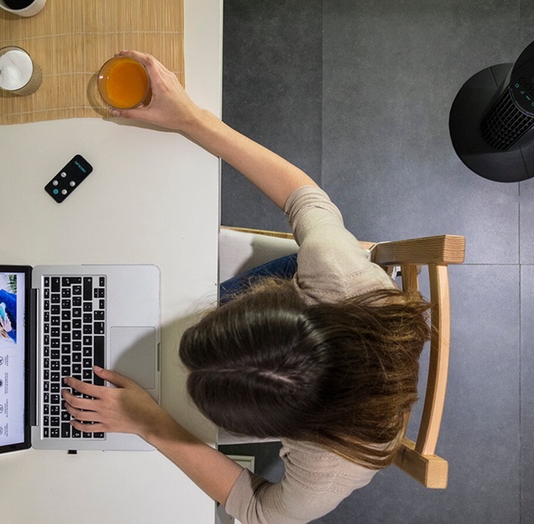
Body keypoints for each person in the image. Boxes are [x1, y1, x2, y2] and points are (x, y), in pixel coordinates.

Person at [62, 50, 431, 523]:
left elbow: (261, 513)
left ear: (282, 432)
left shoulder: (332, 467)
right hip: (340, 310)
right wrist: (191, 119)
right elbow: (305, 197)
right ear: (277, 302)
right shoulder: (338, 273)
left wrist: (149, 423)